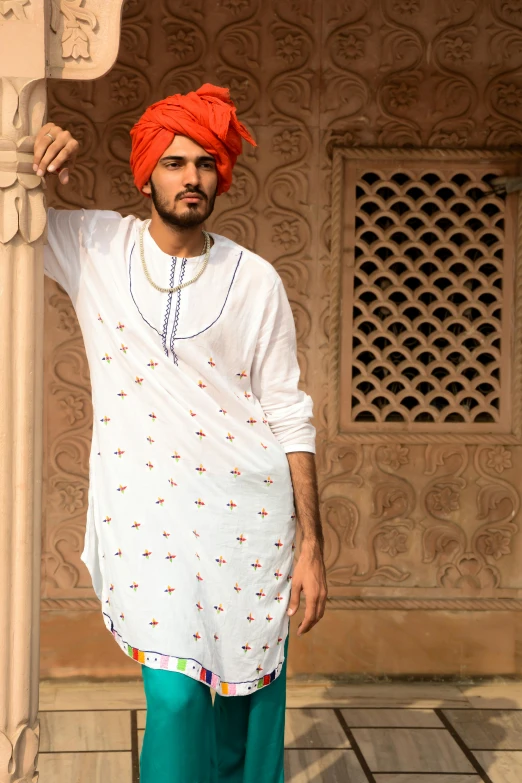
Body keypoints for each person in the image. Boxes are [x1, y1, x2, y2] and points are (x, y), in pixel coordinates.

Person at [35, 83, 328, 783]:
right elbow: (17, 214)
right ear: (146, 173)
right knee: (173, 697)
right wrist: (32, 152)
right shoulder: (95, 246)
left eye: (204, 162)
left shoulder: (253, 279)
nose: (192, 176)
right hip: (149, 520)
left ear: (220, 175)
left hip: (248, 521)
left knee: (243, 702)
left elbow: (289, 410)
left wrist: (312, 544)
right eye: (174, 161)